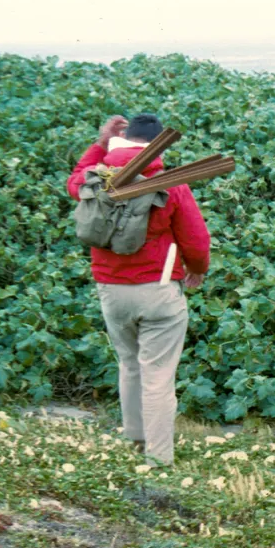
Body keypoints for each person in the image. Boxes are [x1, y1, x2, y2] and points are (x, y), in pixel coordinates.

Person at [67, 114, 211, 466]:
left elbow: (73, 181)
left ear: (126, 139)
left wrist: (100, 144)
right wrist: (197, 269)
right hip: (158, 289)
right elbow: (196, 239)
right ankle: (158, 458)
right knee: (157, 375)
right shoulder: (171, 184)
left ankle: (135, 438)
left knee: (130, 364)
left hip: (112, 291)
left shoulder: (96, 178)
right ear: (158, 145)